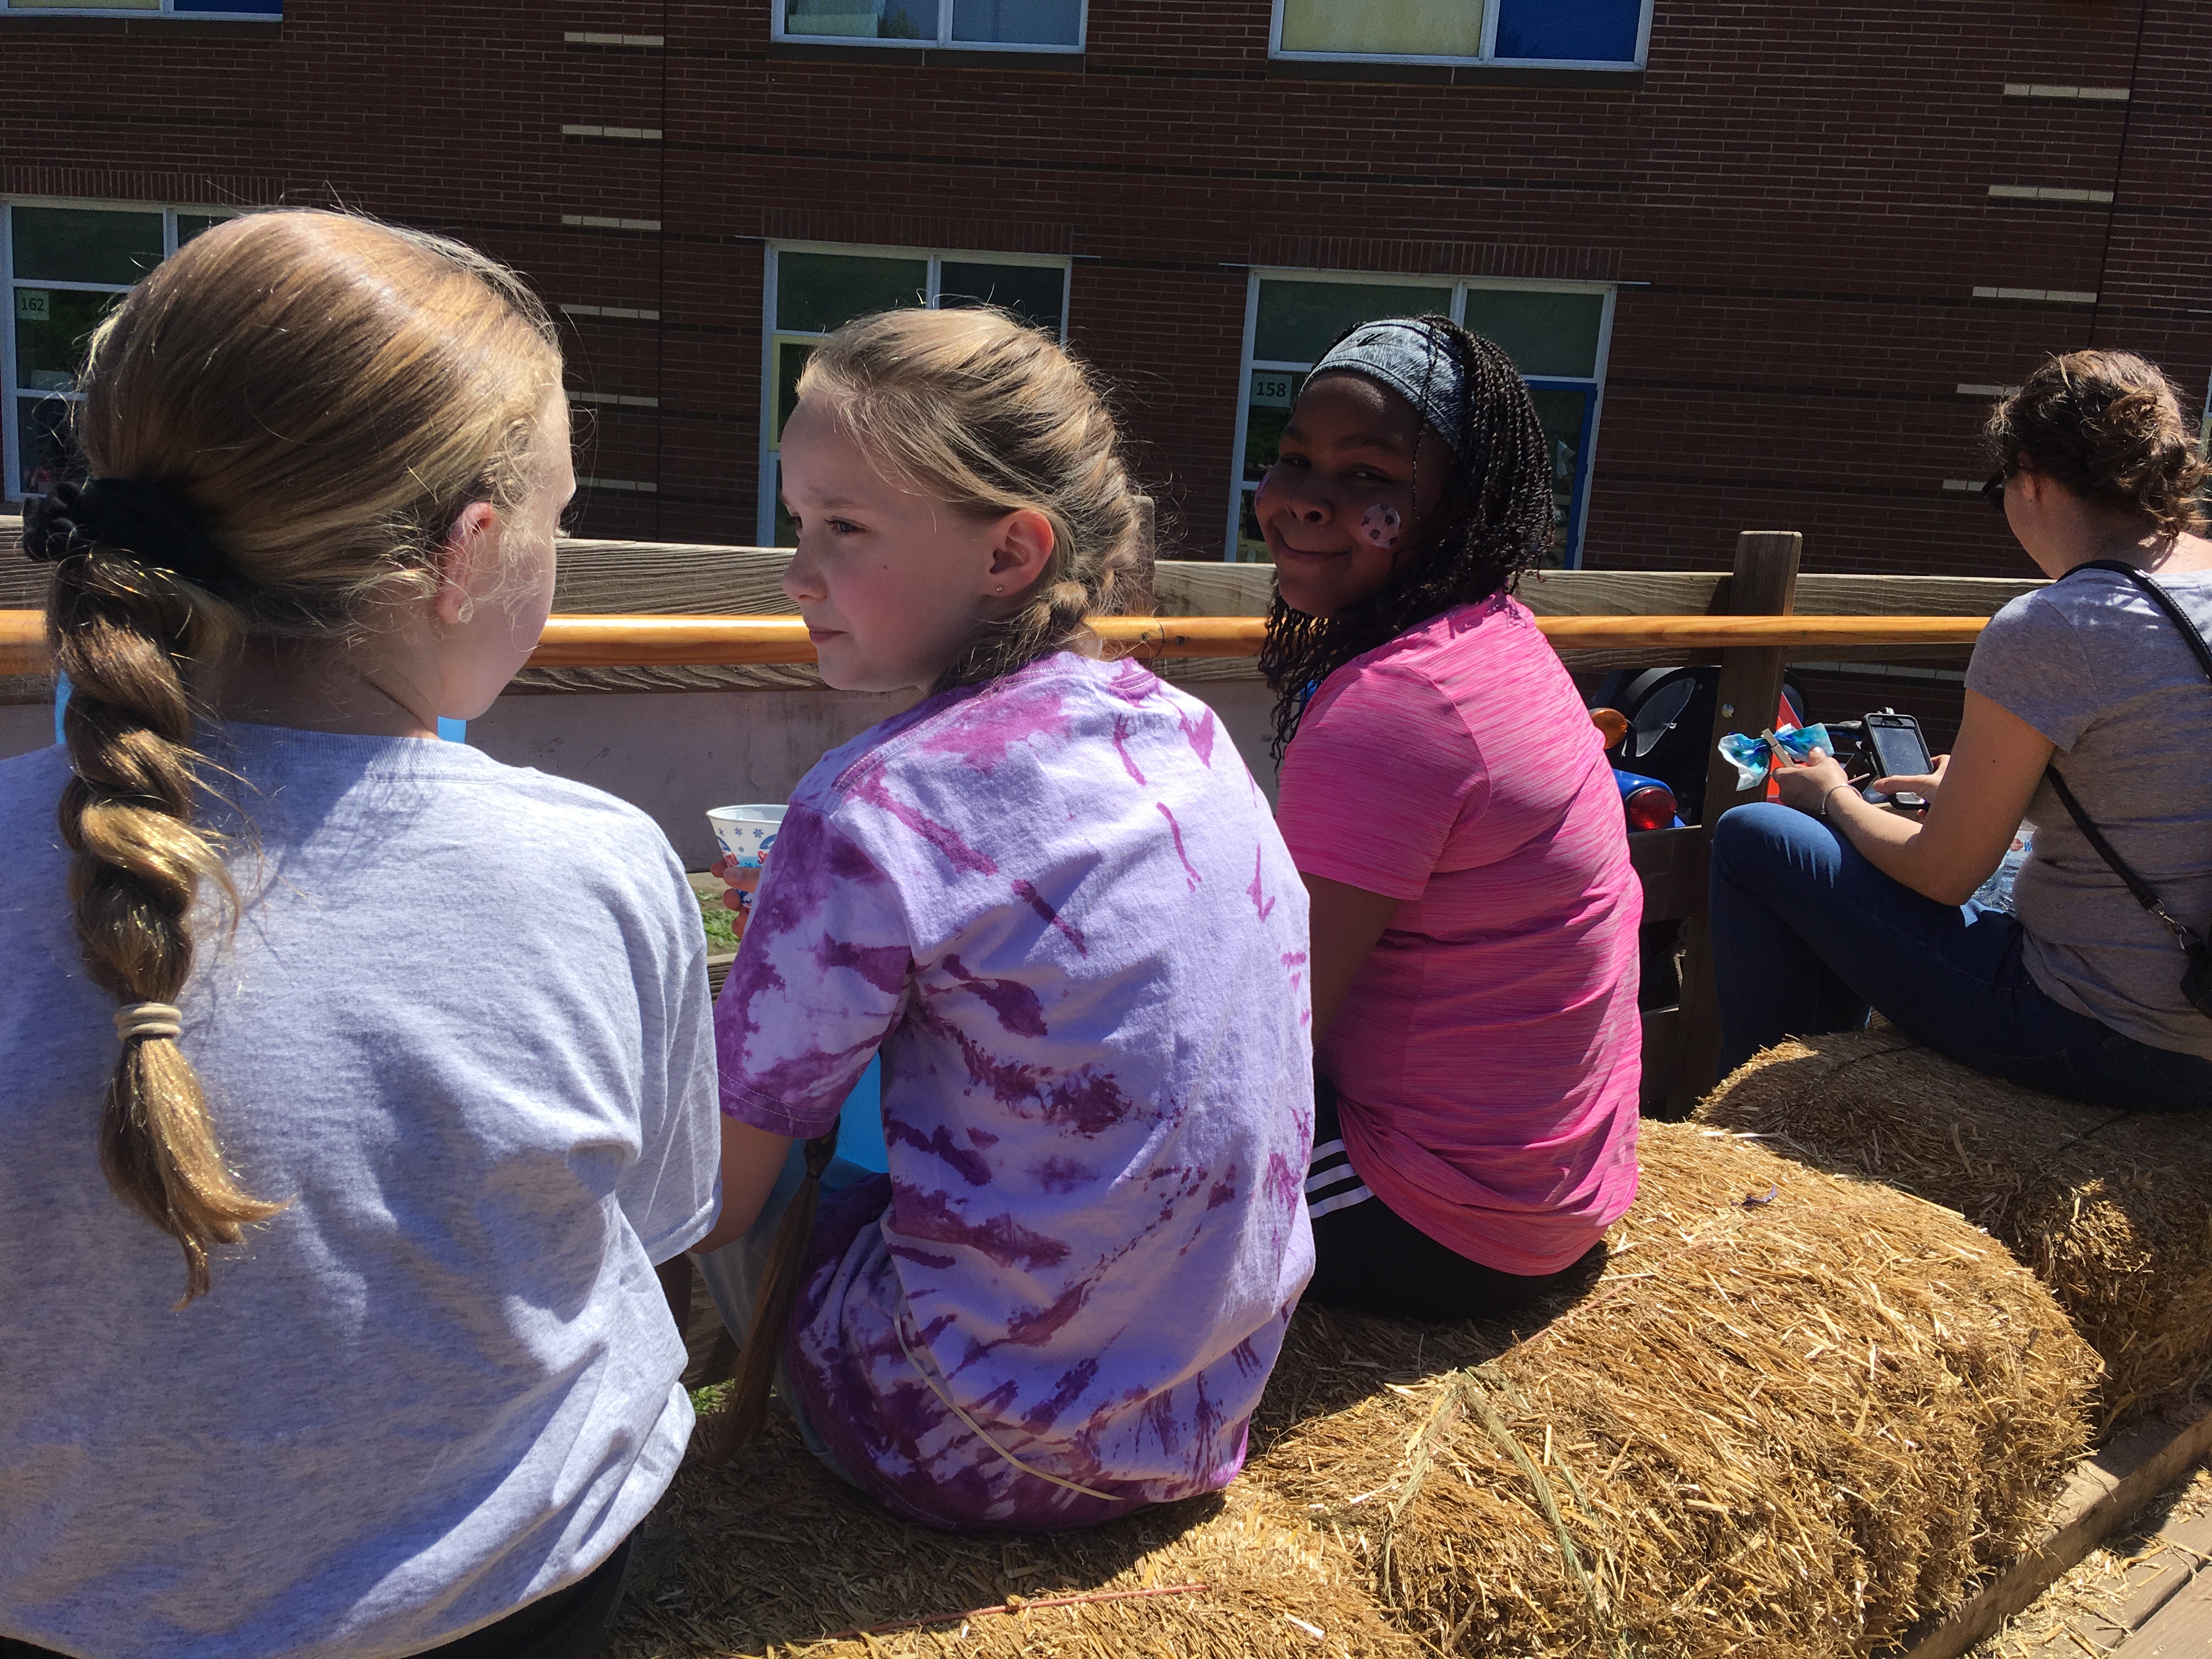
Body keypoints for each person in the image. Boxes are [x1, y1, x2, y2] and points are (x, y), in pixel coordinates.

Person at [0, 212, 720, 1659]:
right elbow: (654, 1239)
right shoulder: (591, 871)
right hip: (502, 1617)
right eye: (561, 516)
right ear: (468, 553)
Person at [691, 305, 1313, 1532]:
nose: (797, 574)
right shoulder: (1192, 739)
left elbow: (715, 1197)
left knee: (749, 1146)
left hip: (962, 1437)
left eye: (844, 528)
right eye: (797, 522)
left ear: (1011, 552)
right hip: (1205, 1406)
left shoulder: (872, 805)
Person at [1254, 315, 1642, 1323]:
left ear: (1461, 505)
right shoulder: (1496, 638)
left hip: (1435, 1217)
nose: (1305, 499)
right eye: (1293, 458)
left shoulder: (1396, 706)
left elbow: (1267, 1032)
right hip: (1557, 1192)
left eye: (1369, 475)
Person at [1709, 350, 2212, 1111]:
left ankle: (1762, 1114)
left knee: (1758, 836)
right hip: (2199, 1025)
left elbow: (1945, 876)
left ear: (2030, 475)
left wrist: (1833, 795)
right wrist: (1981, 794)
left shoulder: (2057, 624)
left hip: (2112, 1037)